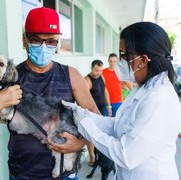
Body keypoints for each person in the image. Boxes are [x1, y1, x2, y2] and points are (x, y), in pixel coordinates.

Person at [0, 7, 99, 180]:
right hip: (22, 174)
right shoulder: (9, 76)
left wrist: (80, 143)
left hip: (65, 172)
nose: (43, 46)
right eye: (36, 40)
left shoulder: (71, 75)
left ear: (57, 42)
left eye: (51, 42)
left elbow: (95, 115)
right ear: (24, 40)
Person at [49, 22, 181, 180]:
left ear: (143, 60)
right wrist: (81, 113)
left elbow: (126, 155)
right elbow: (118, 126)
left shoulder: (159, 99)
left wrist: (85, 124)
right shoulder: (142, 89)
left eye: (124, 55)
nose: (120, 61)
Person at [84, 60, 112, 166]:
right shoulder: (87, 80)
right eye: (96, 70)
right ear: (91, 69)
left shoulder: (101, 77)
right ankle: (92, 157)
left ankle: (98, 155)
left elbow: (105, 91)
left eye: (100, 70)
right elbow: (83, 97)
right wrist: (91, 111)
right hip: (91, 112)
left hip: (102, 109)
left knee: (100, 133)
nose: (98, 72)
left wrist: (109, 106)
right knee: (90, 135)